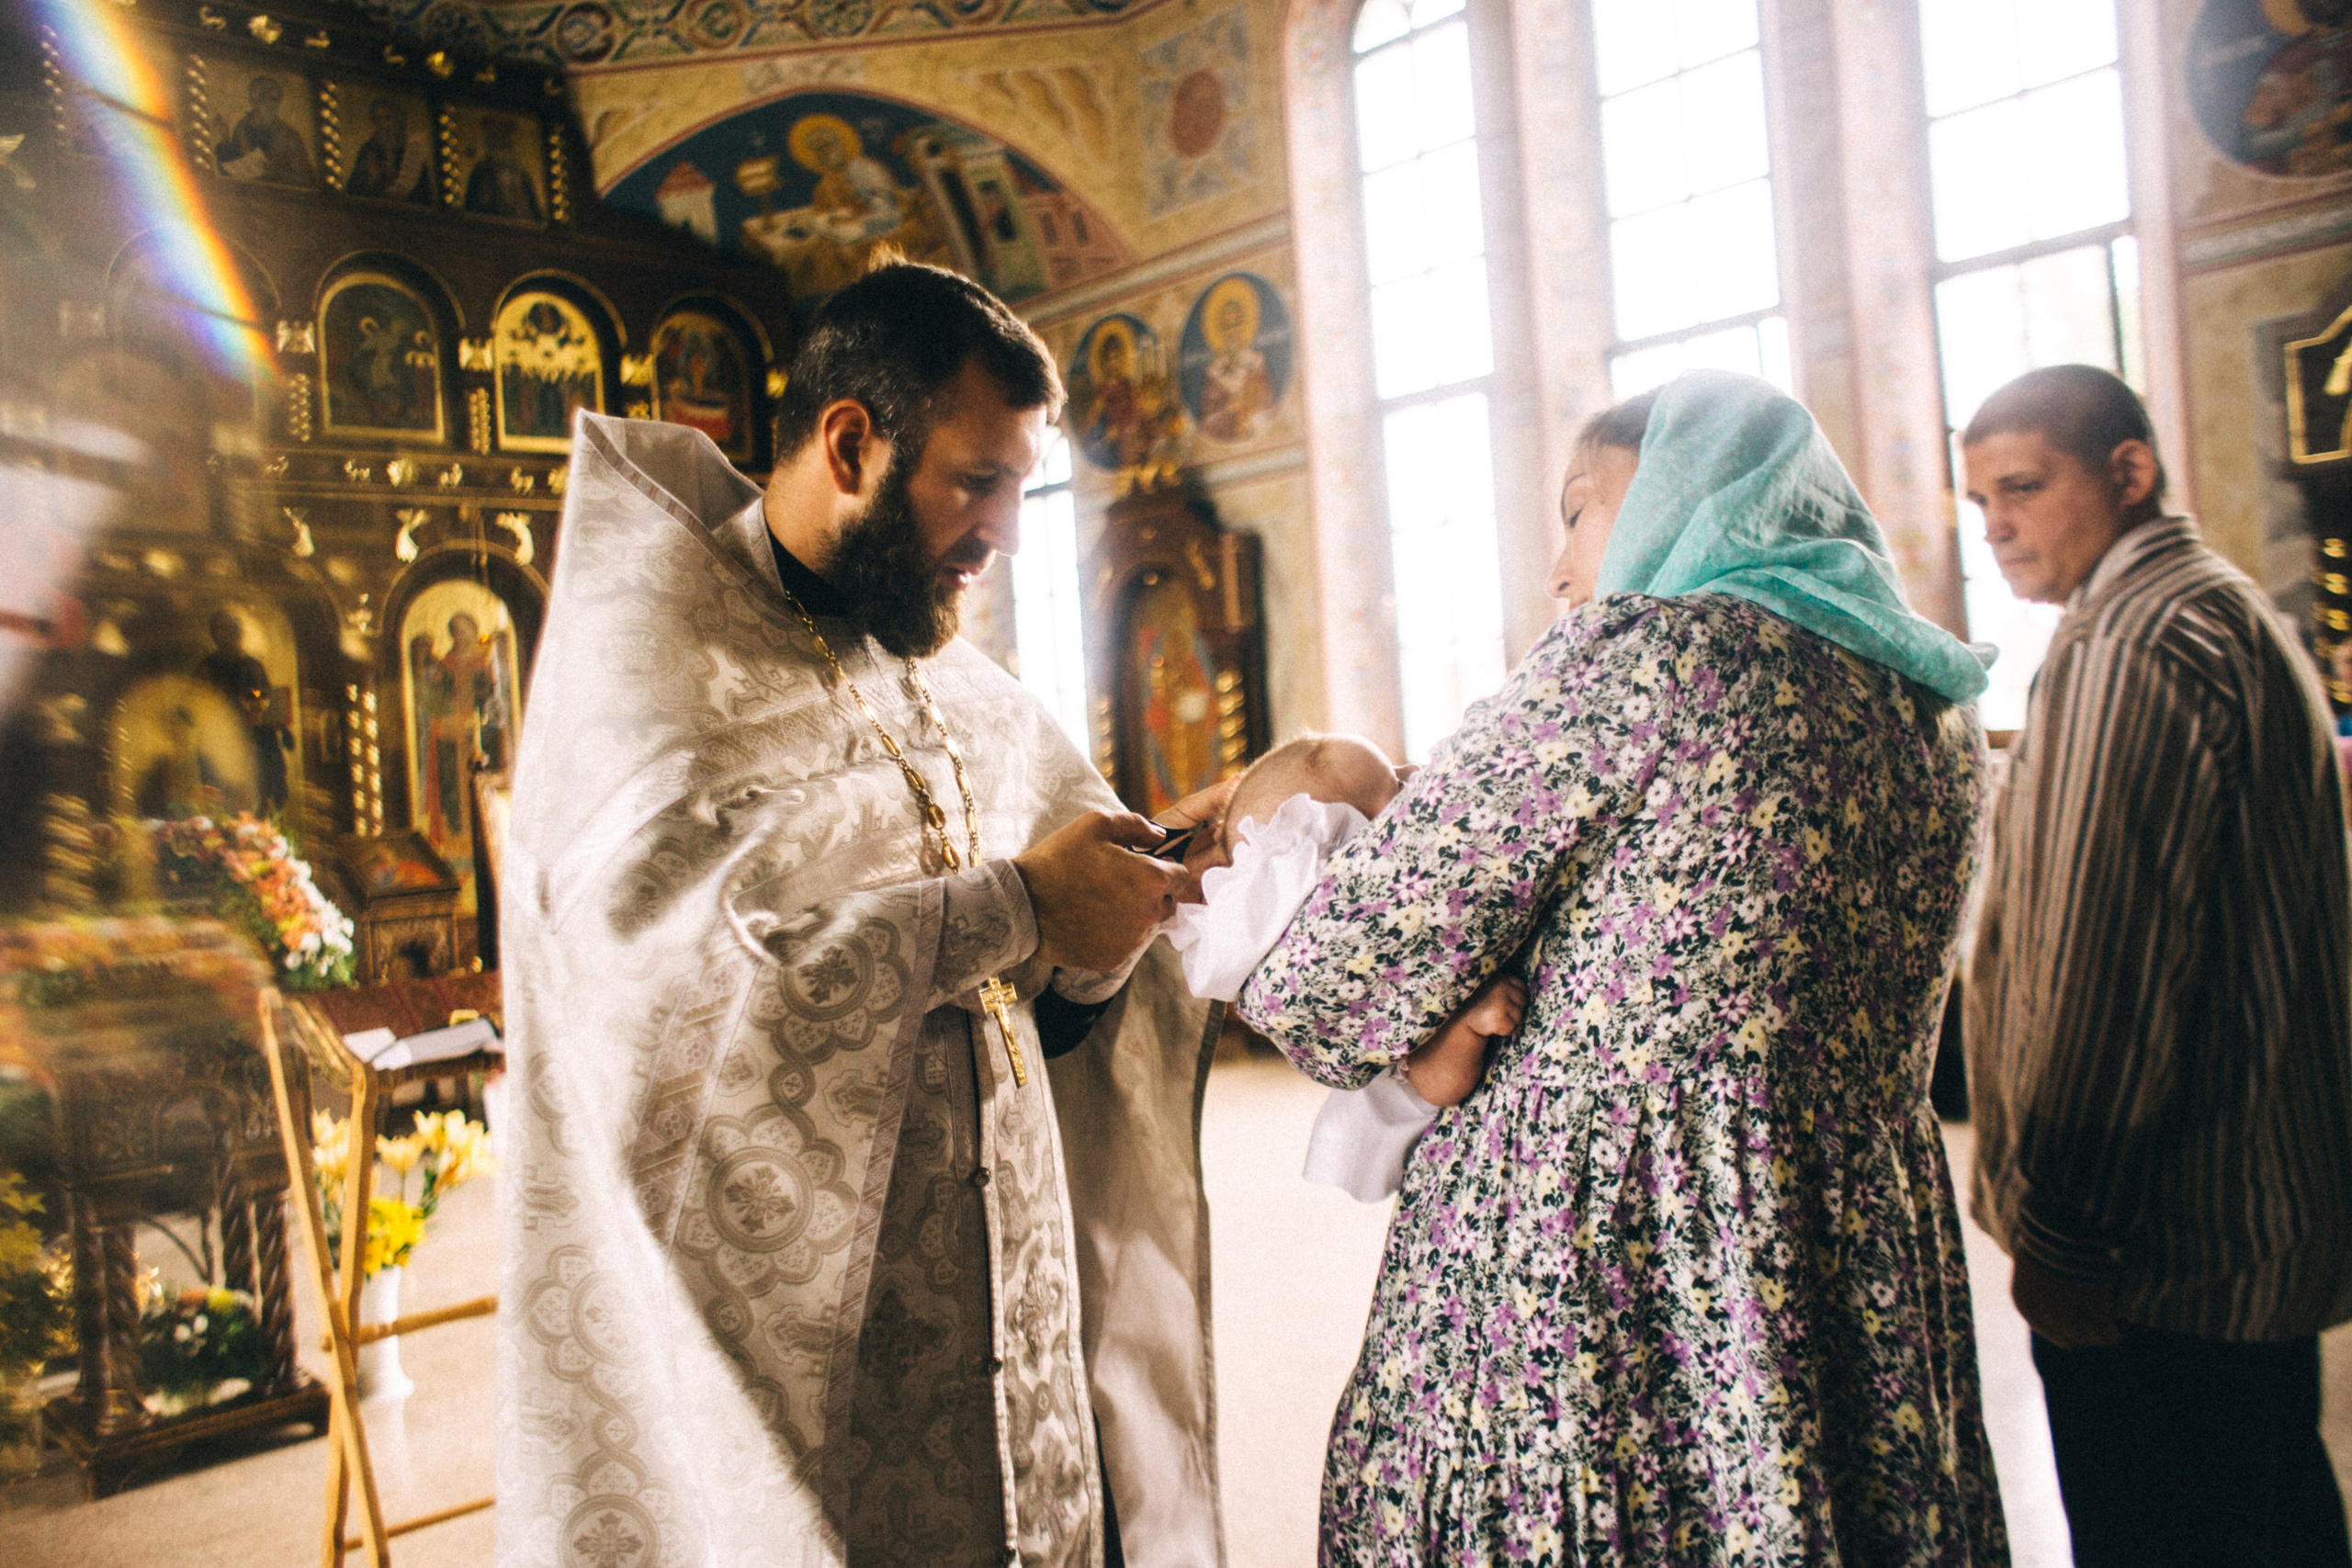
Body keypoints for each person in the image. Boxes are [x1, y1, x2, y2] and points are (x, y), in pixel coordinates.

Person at [497, 262, 1227, 1568]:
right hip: (809, 1358)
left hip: (1008, 1318)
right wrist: (1014, 903)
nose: (1003, 528)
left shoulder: (947, 667)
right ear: (851, 441)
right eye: (977, 480)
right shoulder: (655, 657)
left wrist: (1099, 944)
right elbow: (668, 993)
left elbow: (1048, 981)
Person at [1238, 370, 2007, 1564]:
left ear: (1697, 496)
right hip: (1842, 1265)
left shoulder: (1646, 654)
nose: (1560, 567)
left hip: (1604, 1271)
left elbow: (1329, 988)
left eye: (1581, 507)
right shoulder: (1932, 701)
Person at [1961, 364, 2352, 1568]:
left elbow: (2101, 978)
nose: (1998, 527)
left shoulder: (2133, 642)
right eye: (1980, 503)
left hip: (2163, 1256)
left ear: (2127, 472)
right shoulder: (2222, 606)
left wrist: (2068, 1239)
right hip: (2248, 1231)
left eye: (2023, 486)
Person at [1163, 734, 1523, 1201]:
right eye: (1391, 792)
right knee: (1427, 1080)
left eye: (1396, 778)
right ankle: (1470, 1019)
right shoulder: (1326, 903)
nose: (1411, 784)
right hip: (1405, 1036)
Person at [215, 74, 312, 186]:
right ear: (254, 102)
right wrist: (224, 138)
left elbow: (306, 178)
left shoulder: (288, 136)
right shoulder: (243, 127)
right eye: (266, 99)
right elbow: (231, 166)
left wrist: (274, 173)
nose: (272, 105)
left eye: (275, 100)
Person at [344, 96, 430, 203]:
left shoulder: (410, 151)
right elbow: (352, 190)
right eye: (379, 119)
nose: (384, 125)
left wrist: (405, 192)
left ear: (397, 121)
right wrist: (371, 180)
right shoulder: (369, 150)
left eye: (388, 118)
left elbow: (425, 193)